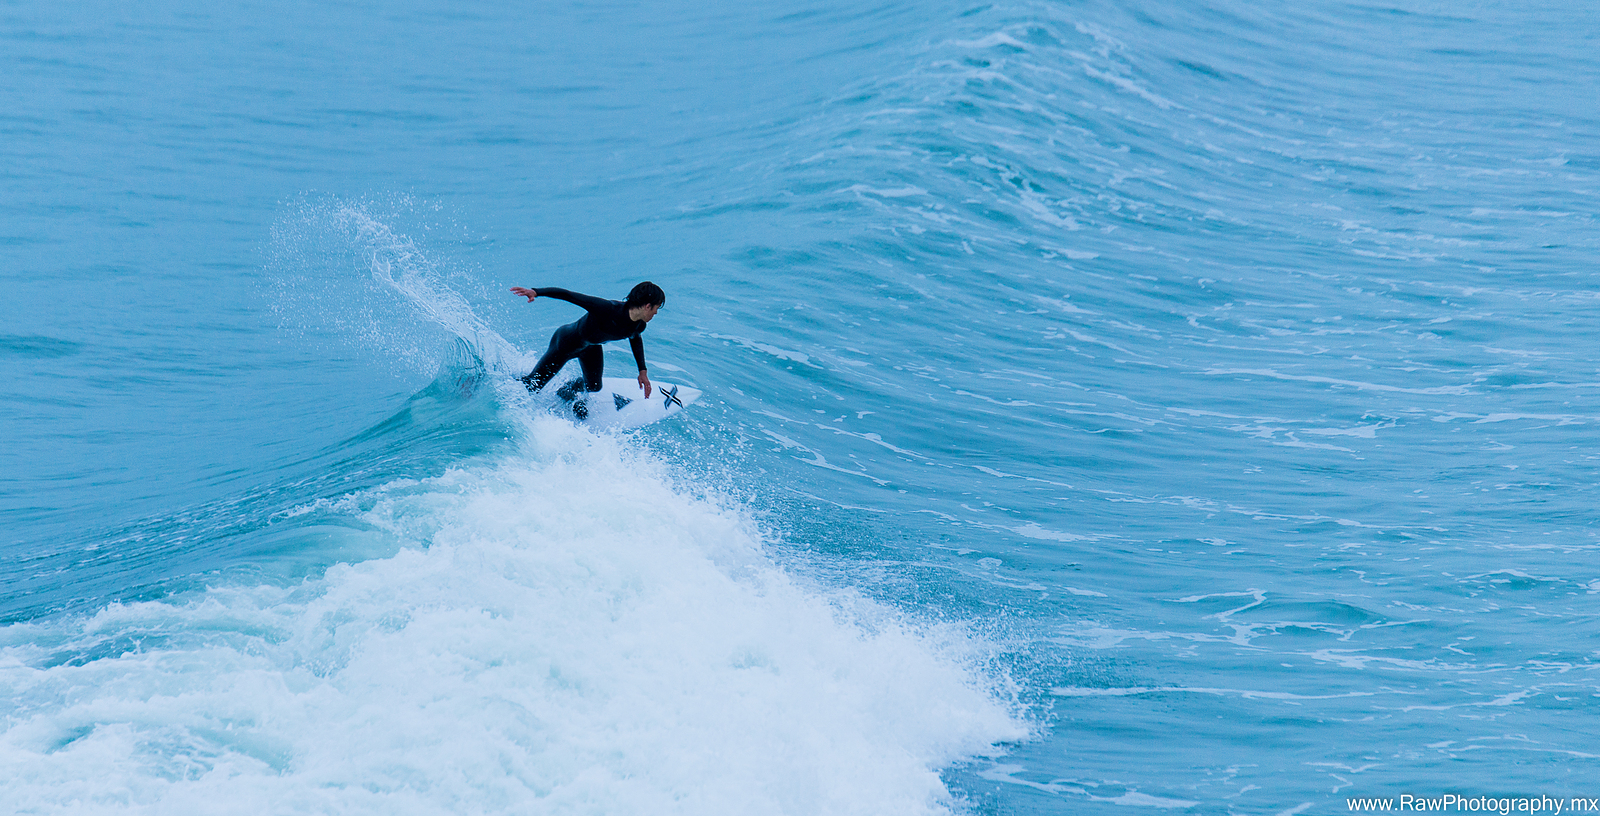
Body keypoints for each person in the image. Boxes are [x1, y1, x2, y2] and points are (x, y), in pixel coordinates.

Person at [509, 282, 664, 414]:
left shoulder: (639, 325)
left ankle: (566, 392)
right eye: (656, 308)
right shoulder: (607, 309)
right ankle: (506, 382)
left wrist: (642, 371)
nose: (656, 313)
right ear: (647, 306)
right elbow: (569, 295)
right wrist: (536, 292)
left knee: (594, 387)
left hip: (590, 348)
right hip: (565, 344)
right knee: (533, 386)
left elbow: (635, 338)